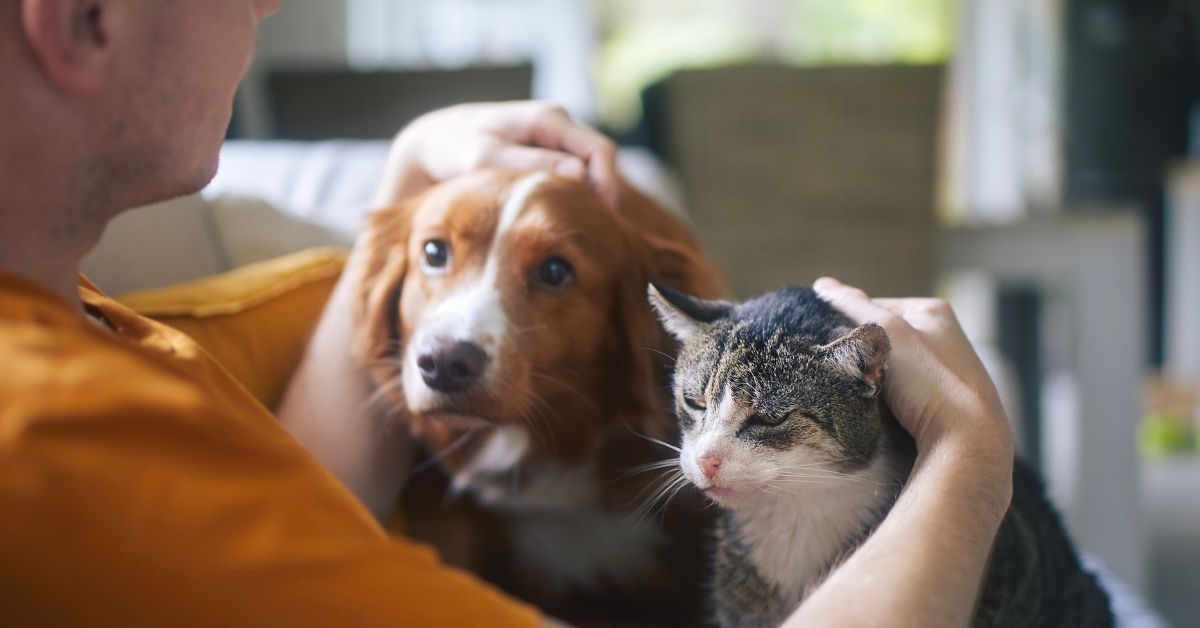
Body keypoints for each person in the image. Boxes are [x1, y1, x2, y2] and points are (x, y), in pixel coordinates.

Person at [0, 1, 1014, 627]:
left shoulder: (67, 316)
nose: (268, 4)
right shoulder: (56, 442)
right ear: (83, 16)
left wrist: (412, 184)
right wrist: (969, 453)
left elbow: (298, 512)